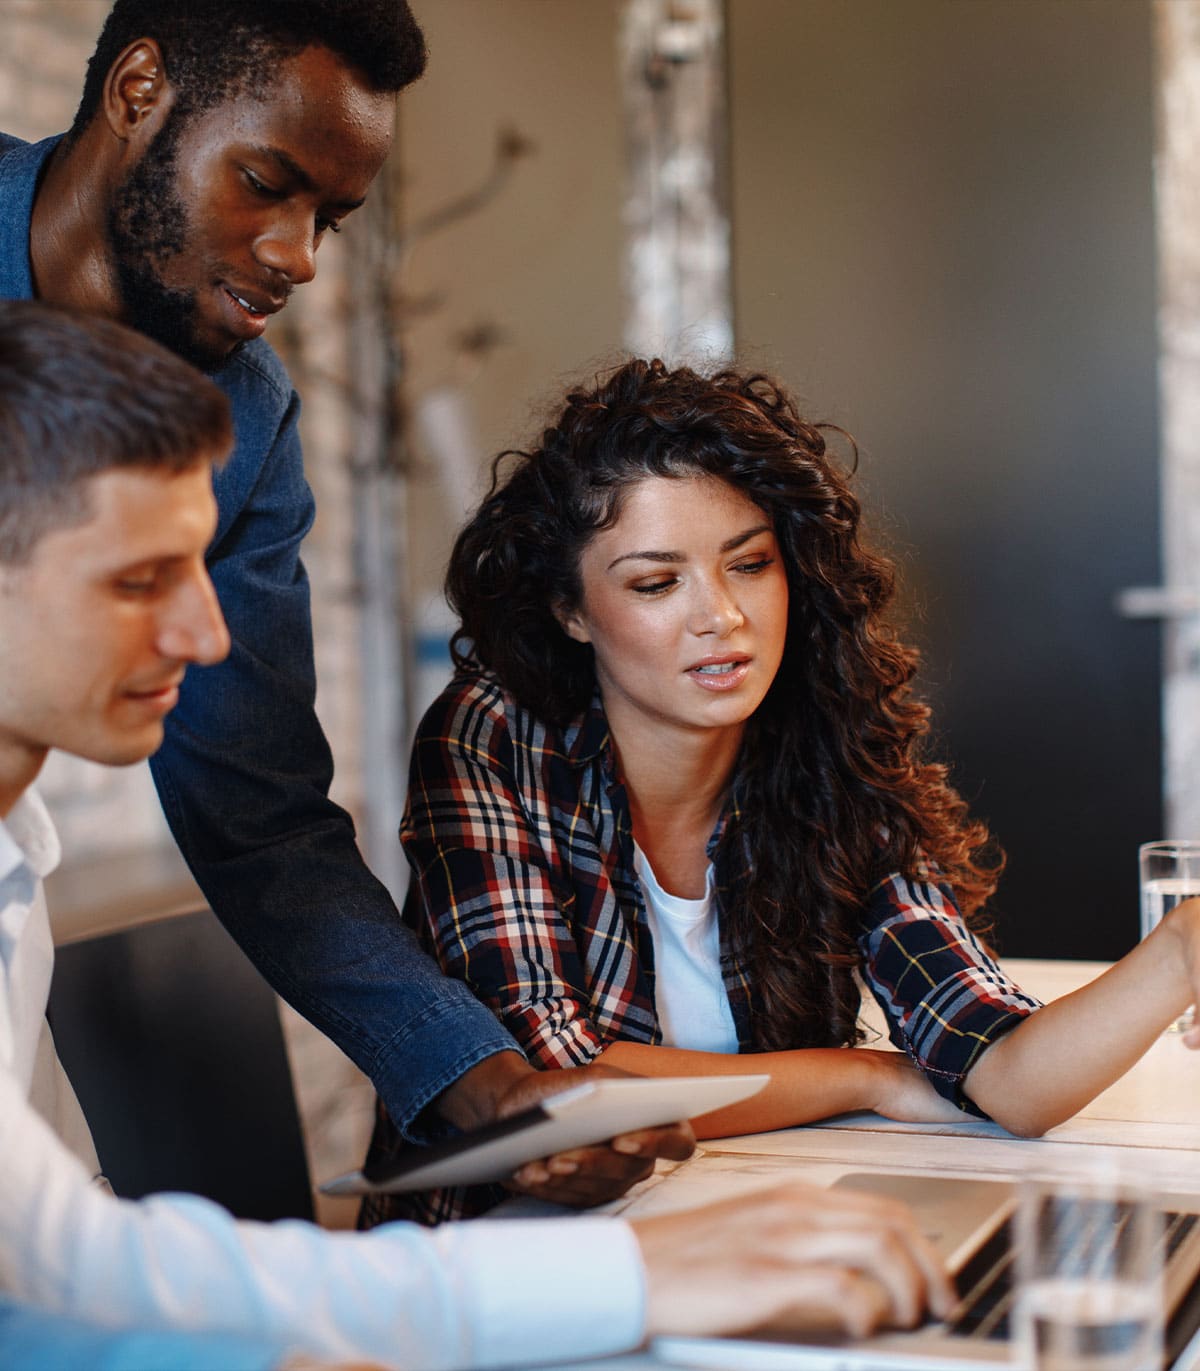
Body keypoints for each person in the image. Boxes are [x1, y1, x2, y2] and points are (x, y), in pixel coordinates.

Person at [0, 300, 957, 1367]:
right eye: (138, 581)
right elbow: (69, 1272)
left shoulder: (16, 861)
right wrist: (637, 1276)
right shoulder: (500, 734)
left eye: (201, 570)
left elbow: (70, 1278)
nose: (210, 634)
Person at [0, 0, 683, 1201]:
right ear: (137, 90)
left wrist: (485, 1086)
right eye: (265, 182)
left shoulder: (247, 418)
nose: (298, 254)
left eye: (331, 216)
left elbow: (258, 807)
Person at [377, 356, 1200, 1226]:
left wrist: (1182, 950)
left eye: (751, 563)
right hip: (504, 1262)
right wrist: (866, 1073)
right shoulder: (495, 733)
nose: (721, 617)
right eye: (657, 582)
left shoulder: (826, 742)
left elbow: (1005, 1073)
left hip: (749, 1220)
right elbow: (558, 1087)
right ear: (572, 610)